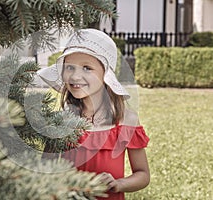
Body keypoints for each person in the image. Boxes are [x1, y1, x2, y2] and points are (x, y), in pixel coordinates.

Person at [37, 28, 150, 200]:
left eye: (87, 68)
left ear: (105, 75)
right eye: (70, 67)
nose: (75, 76)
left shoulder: (127, 120)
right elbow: (44, 169)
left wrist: (119, 184)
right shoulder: (62, 119)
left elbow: (143, 174)